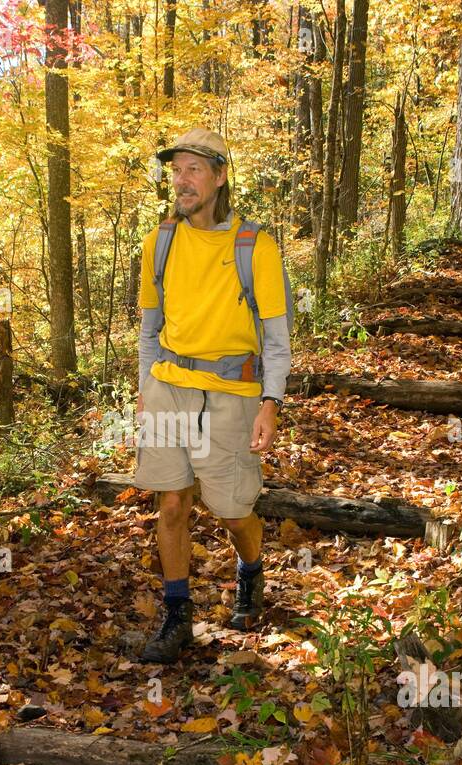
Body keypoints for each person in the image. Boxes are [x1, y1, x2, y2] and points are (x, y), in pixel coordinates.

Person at [133, 127, 291, 664]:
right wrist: (143, 388)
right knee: (171, 503)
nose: (181, 180)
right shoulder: (160, 241)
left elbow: (276, 336)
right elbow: (149, 328)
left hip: (231, 394)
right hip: (168, 387)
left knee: (231, 510)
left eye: (194, 169)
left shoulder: (255, 246)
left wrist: (271, 402)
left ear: (220, 177)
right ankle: (178, 614)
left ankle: (251, 569)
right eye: (176, 169)